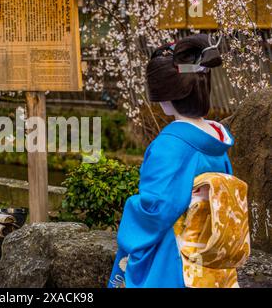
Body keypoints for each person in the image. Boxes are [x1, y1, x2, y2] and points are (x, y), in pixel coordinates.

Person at [107, 34, 250, 288]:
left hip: (172, 259)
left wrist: (132, 208)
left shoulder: (170, 145)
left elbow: (156, 209)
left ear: (165, 96)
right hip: (207, 256)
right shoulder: (217, 139)